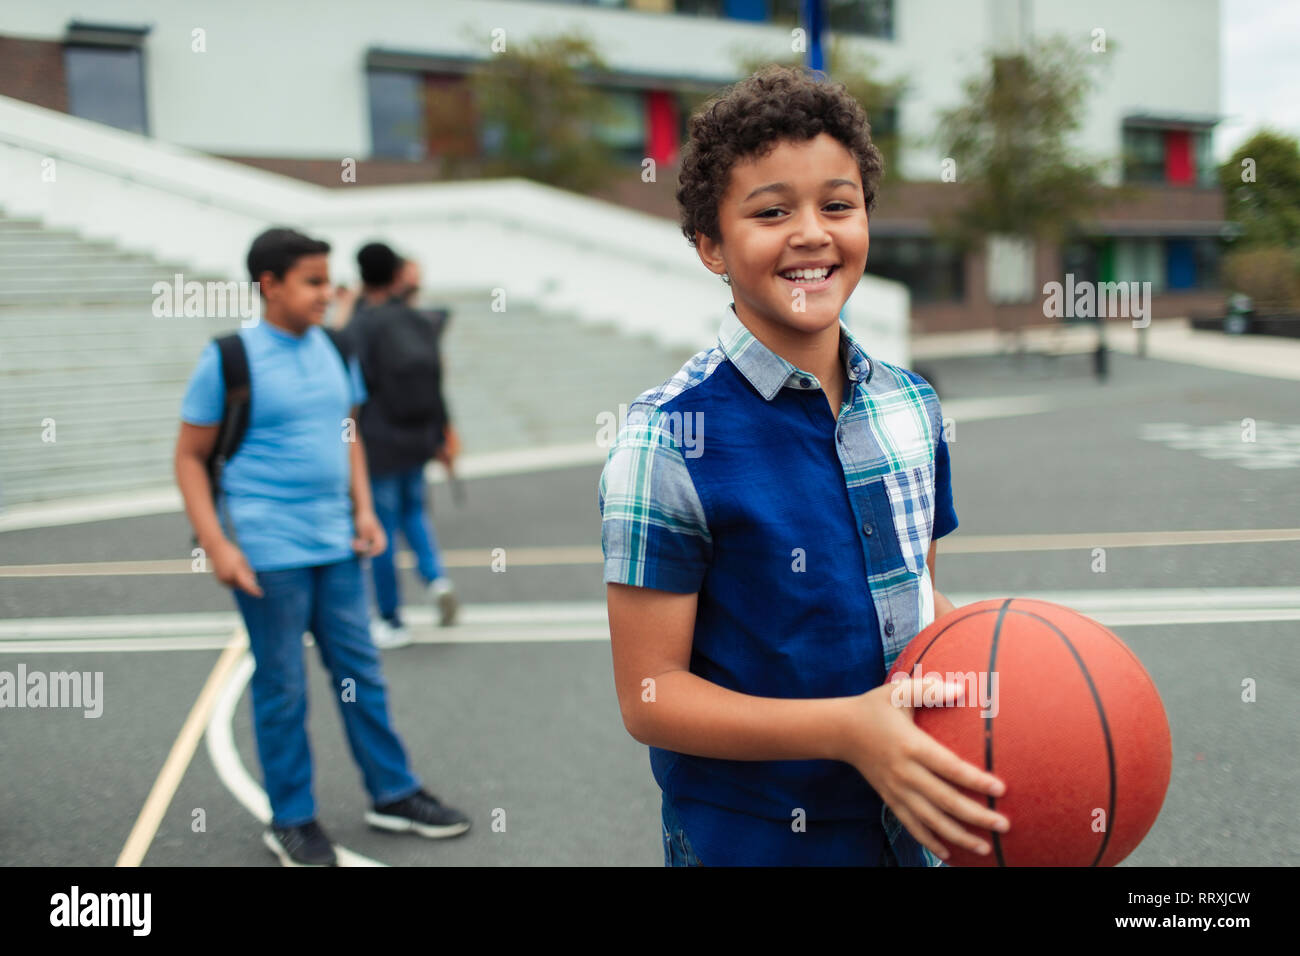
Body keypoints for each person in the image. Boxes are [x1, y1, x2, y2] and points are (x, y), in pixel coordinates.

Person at [598, 66, 1011, 867]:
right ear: (710, 245)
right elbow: (650, 698)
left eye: (838, 204)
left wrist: (992, 673)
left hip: (915, 823)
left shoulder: (911, 405)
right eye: (771, 210)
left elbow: (922, 599)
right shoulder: (664, 442)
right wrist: (846, 728)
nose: (812, 232)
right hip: (752, 841)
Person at [174, 227, 470, 866]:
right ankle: (292, 818)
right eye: (311, 281)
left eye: (328, 279)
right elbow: (190, 458)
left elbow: (349, 434)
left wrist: (365, 510)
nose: (326, 292)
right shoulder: (229, 358)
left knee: (362, 674)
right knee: (283, 688)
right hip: (266, 554)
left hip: (338, 544)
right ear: (269, 285)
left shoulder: (338, 346)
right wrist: (217, 544)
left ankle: (391, 794)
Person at [344, 243, 459, 647]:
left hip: (378, 442)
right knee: (415, 513)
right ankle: (437, 579)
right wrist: (443, 432)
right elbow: (436, 379)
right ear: (396, 275)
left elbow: (350, 389)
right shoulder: (419, 321)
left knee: (382, 528)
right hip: (418, 437)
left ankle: (391, 619)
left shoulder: (360, 326)